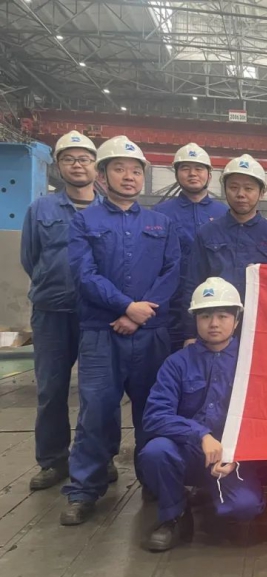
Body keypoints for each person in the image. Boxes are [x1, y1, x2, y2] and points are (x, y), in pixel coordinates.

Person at [62, 136, 180, 525]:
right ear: (102, 175)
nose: (129, 177)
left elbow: (172, 273)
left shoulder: (161, 223)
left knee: (154, 410)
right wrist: (125, 306)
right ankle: (84, 489)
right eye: (119, 169)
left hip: (151, 334)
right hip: (101, 333)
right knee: (96, 411)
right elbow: (84, 274)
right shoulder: (85, 222)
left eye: (135, 171)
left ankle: (155, 479)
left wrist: (139, 314)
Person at [140, 277, 265, 552]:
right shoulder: (177, 363)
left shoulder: (253, 362)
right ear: (195, 320)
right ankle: (174, 515)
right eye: (206, 316)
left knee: (245, 507)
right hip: (189, 452)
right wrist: (200, 435)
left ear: (237, 320)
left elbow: (264, 419)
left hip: (233, 459)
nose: (214, 324)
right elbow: (154, 415)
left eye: (223, 316)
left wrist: (236, 455)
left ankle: (220, 492)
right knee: (155, 451)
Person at [21, 130, 108, 491]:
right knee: (51, 389)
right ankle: (53, 460)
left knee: (97, 392)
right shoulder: (40, 209)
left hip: (95, 315)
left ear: (96, 167)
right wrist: (53, 284)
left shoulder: (107, 210)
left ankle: (96, 459)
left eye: (84, 159)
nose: (77, 165)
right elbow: (30, 257)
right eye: (69, 159)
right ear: (58, 166)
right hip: (51, 312)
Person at [185, 154, 267, 341]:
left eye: (249, 188)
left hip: (263, 328)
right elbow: (191, 284)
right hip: (215, 330)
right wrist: (189, 334)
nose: (240, 194)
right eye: (234, 187)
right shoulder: (207, 234)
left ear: (262, 192)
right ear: (225, 190)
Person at [152, 143, 227, 352]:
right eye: (185, 168)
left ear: (209, 175)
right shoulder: (160, 214)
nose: (193, 174)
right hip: (172, 306)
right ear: (176, 174)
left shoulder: (225, 214)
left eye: (199, 168)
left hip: (215, 304)